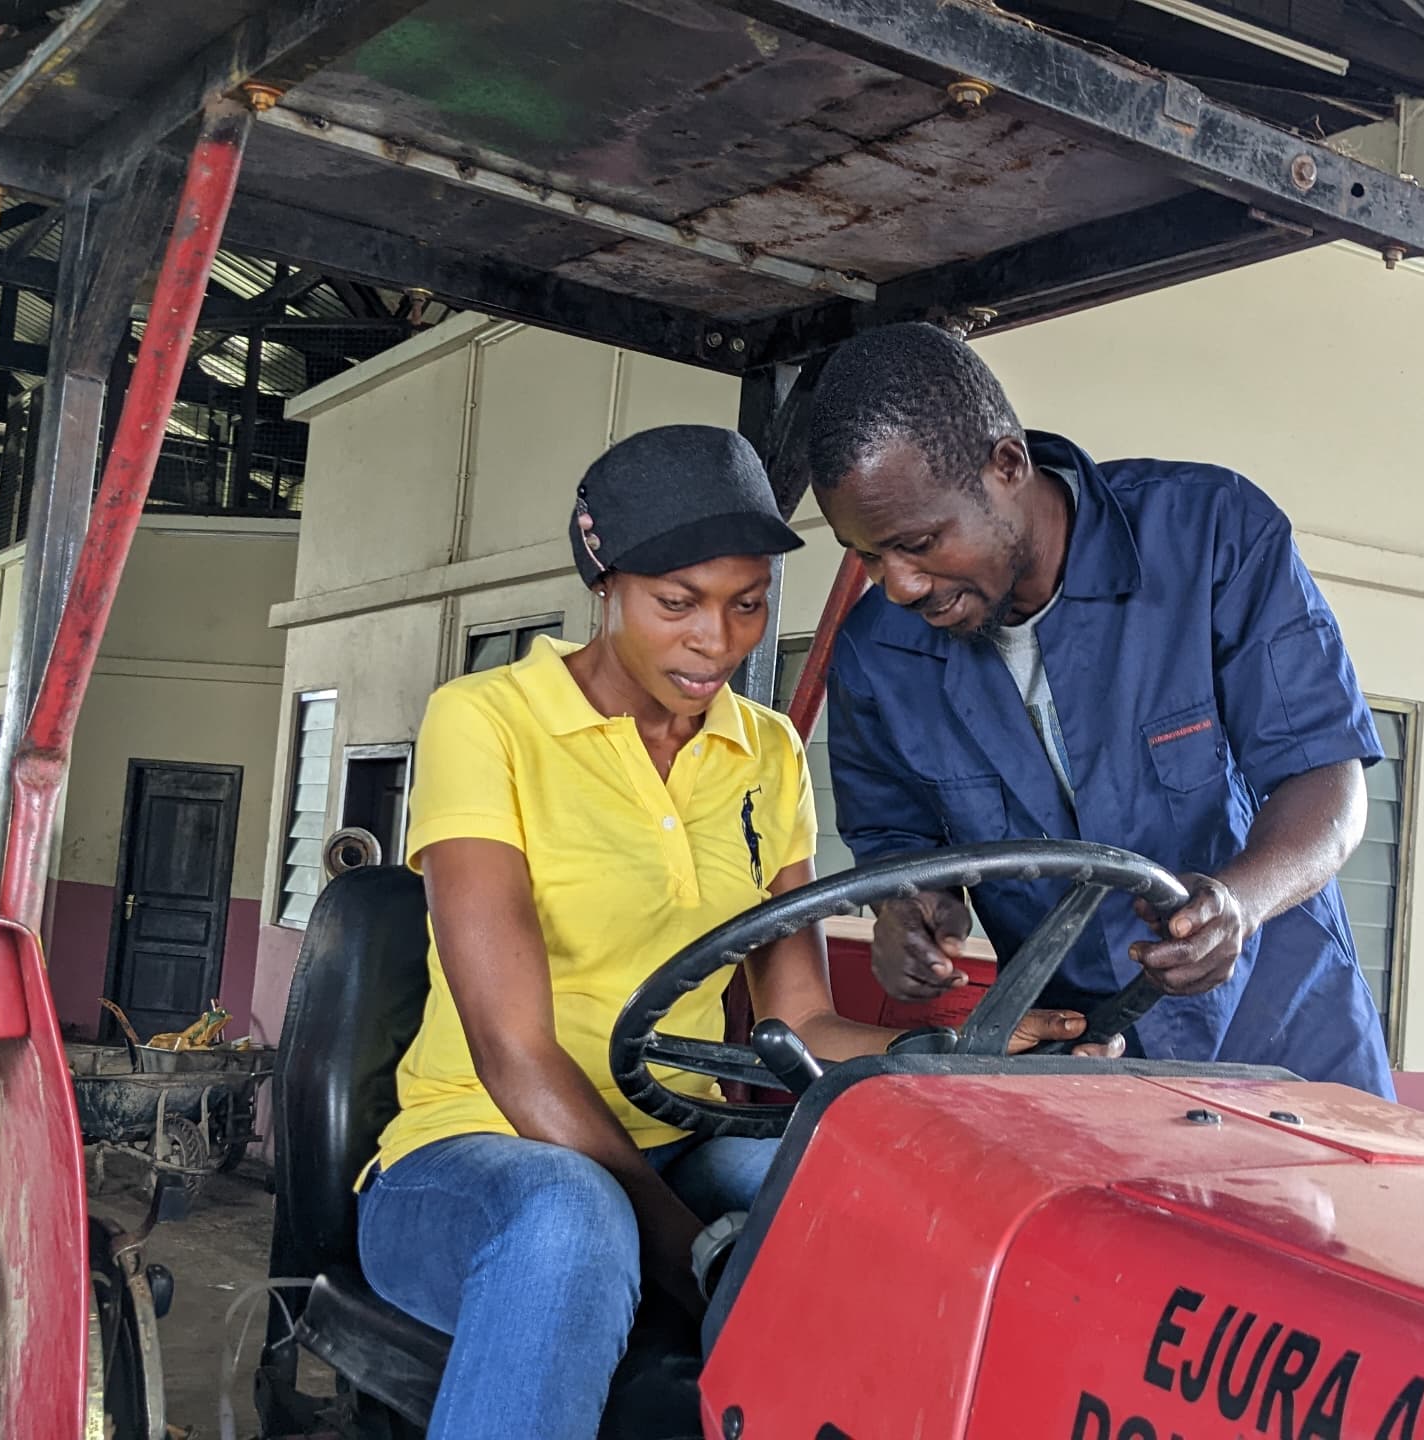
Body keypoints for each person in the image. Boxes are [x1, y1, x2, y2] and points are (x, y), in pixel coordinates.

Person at [360, 426, 1116, 1439]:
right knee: (571, 1222)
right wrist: (687, 1254)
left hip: (680, 1136)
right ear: (607, 586)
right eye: (677, 604)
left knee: (886, 1204)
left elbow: (800, 1019)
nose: (716, 641)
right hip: (476, 1156)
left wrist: (951, 1052)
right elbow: (512, 1053)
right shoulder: (487, 719)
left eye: (747, 603)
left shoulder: (764, 752)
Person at [807, 322, 1392, 1093]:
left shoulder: (1211, 536)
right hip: (1080, 1063)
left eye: (919, 541)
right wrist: (912, 917)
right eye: (869, 555)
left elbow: (1327, 782)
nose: (901, 584)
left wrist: (1237, 906)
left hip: (1284, 1038)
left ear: (1007, 465)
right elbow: (901, 847)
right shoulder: (877, 654)